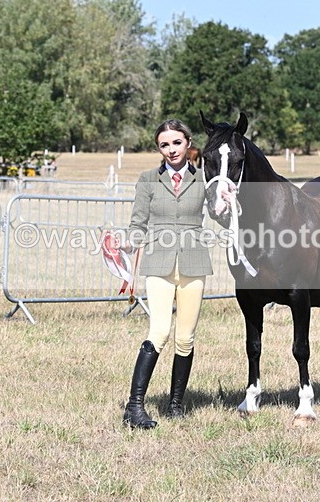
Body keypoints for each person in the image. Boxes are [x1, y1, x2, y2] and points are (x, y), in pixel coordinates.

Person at [121, 119, 213, 429]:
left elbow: (219, 214)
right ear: (158, 149)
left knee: (185, 338)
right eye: (164, 145)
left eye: (176, 142)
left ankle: (176, 405)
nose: (171, 149)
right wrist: (128, 243)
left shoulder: (205, 179)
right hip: (158, 264)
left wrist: (228, 202)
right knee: (159, 332)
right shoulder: (148, 180)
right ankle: (134, 407)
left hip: (194, 264)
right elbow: (138, 223)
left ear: (188, 143)